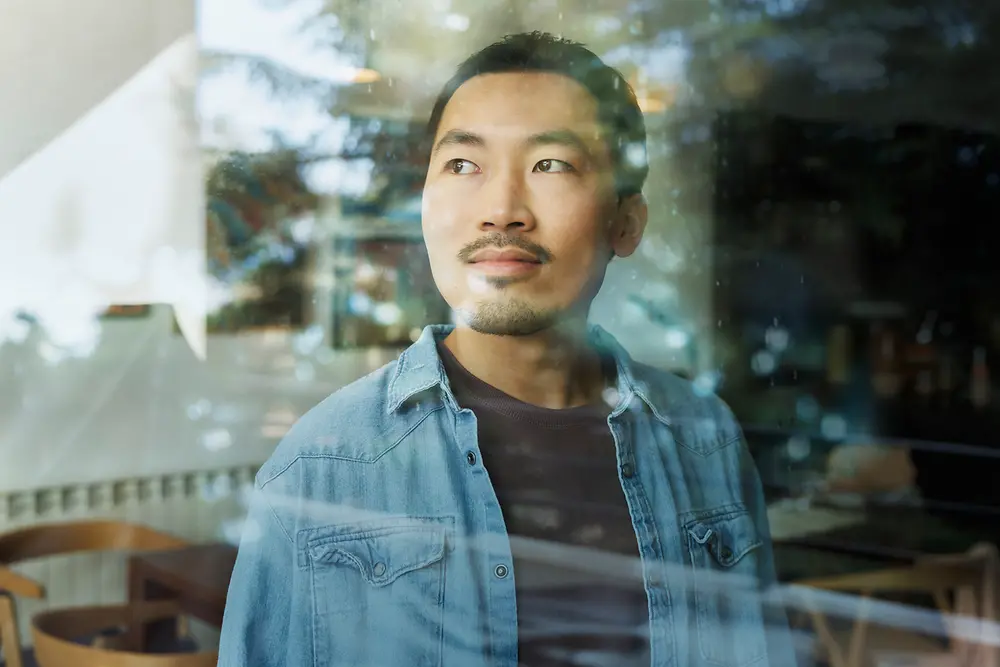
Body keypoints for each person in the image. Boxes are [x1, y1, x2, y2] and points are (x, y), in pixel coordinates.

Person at [218, 31, 796, 667]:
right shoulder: (326, 462)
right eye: (463, 165)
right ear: (425, 206)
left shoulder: (702, 436)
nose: (500, 210)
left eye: (551, 164)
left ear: (625, 222)